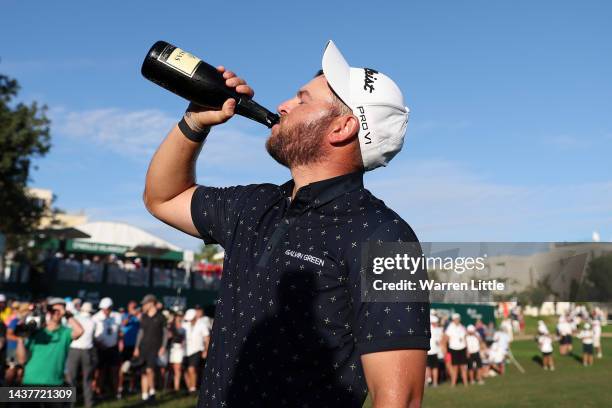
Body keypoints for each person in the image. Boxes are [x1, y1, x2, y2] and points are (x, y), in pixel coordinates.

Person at [143, 40, 429, 407]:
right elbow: (163, 198)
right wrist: (195, 120)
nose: (282, 106)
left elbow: (400, 399)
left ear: (342, 128)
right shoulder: (255, 204)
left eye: (302, 99)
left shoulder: (387, 237)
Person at [16, 298, 84, 386]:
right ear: (48, 311)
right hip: (30, 381)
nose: (56, 313)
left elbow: (79, 331)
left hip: (54, 383)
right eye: (53, 310)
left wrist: (66, 314)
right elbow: (21, 360)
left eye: (59, 310)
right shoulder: (36, 332)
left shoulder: (65, 333)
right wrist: (20, 338)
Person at [134, 294, 167, 402]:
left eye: (145, 303)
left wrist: (163, 346)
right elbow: (140, 333)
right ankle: (144, 396)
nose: (143, 305)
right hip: (143, 348)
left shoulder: (161, 317)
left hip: (155, 348)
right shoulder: (143, 316)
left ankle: (152, 392)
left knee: (149, 370)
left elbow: (165, 333)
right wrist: (136, 347)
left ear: (151, 303)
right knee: (144, 372)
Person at [66, 302, 96, 408]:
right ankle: (89, 403)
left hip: (74, 350)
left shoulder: (75, 318)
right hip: (87, 350)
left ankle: (70, 403)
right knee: (87, 379)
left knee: (71, 378)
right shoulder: (93, 322)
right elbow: (93, 336)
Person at [92, 297, 122, 399]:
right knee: (100, 371)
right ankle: (97, 391)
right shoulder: (95, 318)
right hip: (100, 349)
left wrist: (120, 341)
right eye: (104, 309)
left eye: (108, 308)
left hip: (113, 348)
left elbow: (119, 331)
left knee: (115, 371)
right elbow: (92, 335)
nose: (106, 311)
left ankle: (115, 392)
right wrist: (99, 344)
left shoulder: (117, 316)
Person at [183, 308, 208, 393]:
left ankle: (193, 388)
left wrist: (206, 350)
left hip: (197, 350)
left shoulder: (202, 324)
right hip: (185, 351)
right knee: (186, 370)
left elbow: (207, 338)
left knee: (192, 369)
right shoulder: (185, 324)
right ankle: (189, 387)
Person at [118, 300, 140, 396]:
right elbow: (123, 323)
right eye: (132, 307)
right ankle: (120, 388)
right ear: (128, 308)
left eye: (135, 307)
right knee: (122, 368)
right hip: (125, 346)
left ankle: (131, 387)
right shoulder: (124, 315)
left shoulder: (138, 318)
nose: (134, 309)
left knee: (133, 367)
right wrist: (131, 315)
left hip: (134, 346)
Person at [443, 313, 468, 386]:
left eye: (458, 318)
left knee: (463, 366)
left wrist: (467, 349)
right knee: (455, 367)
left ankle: (465, 383)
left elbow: (464, 338)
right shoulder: (450, 327)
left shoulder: (462, 327)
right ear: (453, 319)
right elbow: (445, 339)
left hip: (462, 348)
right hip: (453, 349)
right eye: (456, 319)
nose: (458, 320)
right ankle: (453, 383)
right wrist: (446, 351)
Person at [168, 311, 186, 392]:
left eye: (180, 316)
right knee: (171, 368)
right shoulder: (171, 327)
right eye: (177, 316)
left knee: (177, 369)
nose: (179, 317)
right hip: (171, 349)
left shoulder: (184, 326)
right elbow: (168, 336)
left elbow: (184, 338)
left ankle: (176, 388)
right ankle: (170, 387)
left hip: (179, 349)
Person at [426, 315, 443, 387]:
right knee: (429, 368)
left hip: (433, 351)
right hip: (429, 351)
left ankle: (433, 382)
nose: (436, 323)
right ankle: (430, 382)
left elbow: (439, 341)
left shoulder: (437, 329)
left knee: (433, 367)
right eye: (435, 322)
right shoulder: (436, 329)